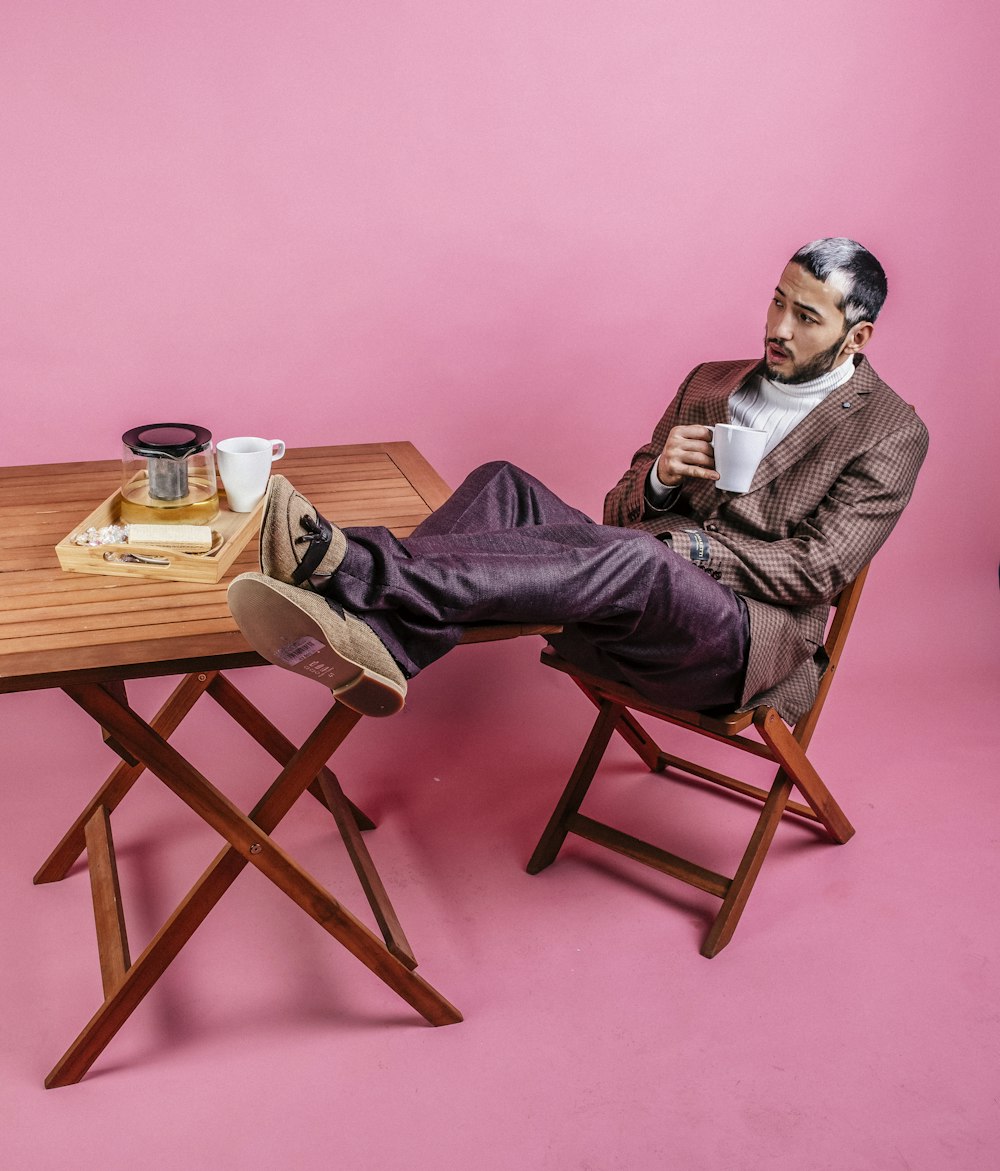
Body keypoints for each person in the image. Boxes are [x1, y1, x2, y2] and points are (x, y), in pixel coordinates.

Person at [227, 238, 928, 721]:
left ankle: (350, 566)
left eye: (805, 317)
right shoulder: (711, 383)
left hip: (735, 648)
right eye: (777, 301)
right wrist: (657, 478)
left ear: (856, 336)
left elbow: (817, 569)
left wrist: (691, 550)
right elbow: (618, 516)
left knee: (641, 557)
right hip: (624, 607)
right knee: (505, 483)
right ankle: (381, 645)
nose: (777, 326)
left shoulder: (890, 432)